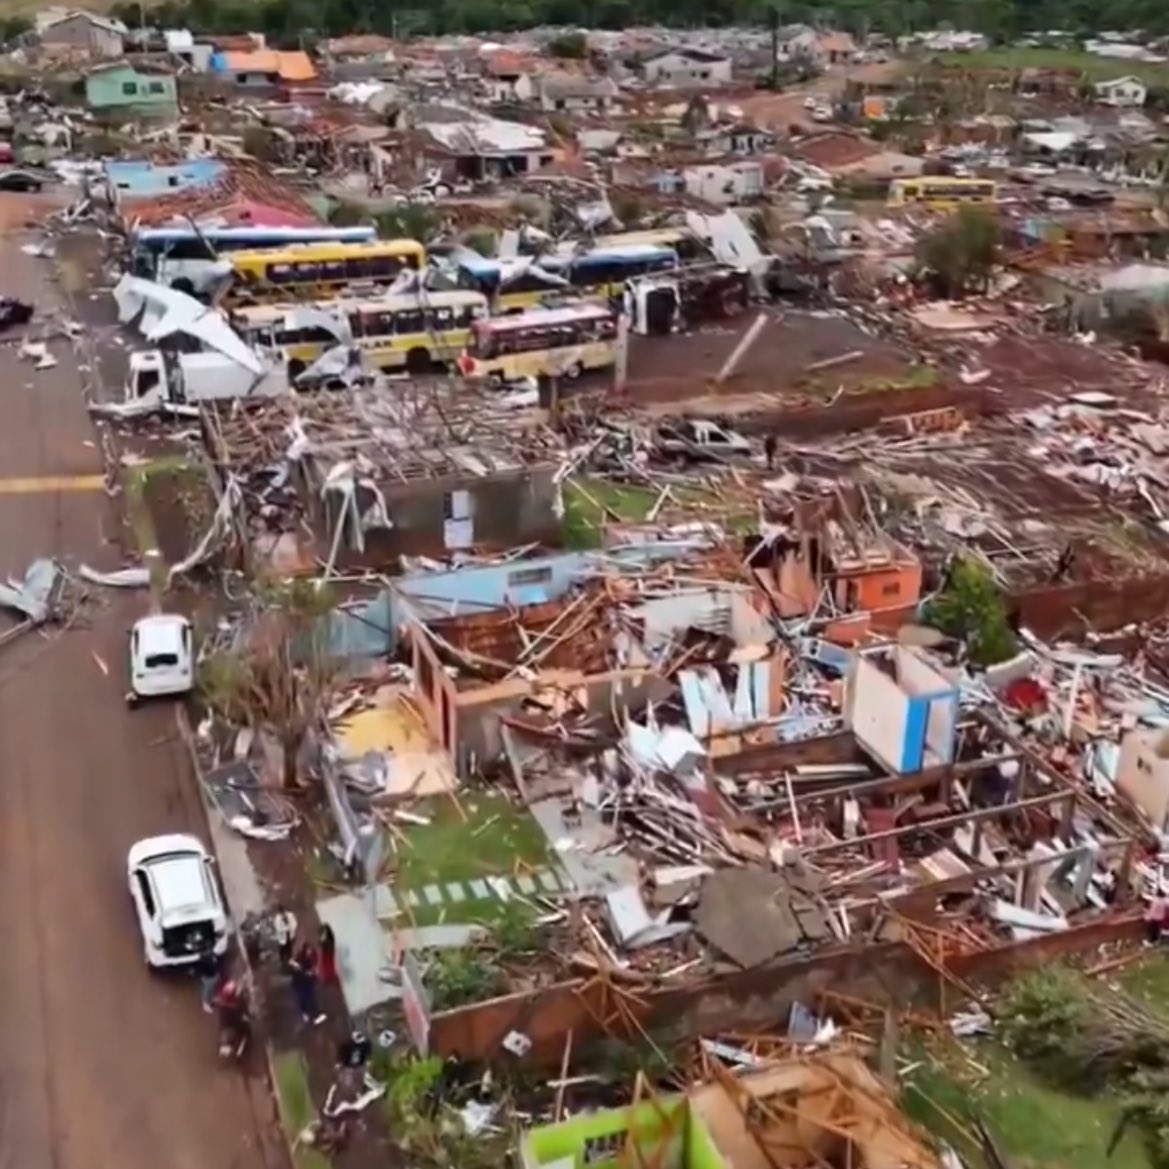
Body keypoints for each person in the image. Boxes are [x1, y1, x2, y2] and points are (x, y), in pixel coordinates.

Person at [290, 942, 326, 1026]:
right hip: (301, 983)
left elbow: (311, 970)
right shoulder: (300, 960)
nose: (309, 952)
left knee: (311, 998)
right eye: (308, 951)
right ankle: (307, 1014)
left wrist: (312, 974)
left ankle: (313, 1014)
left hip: (307, 983)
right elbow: (298, 971)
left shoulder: (309, 959)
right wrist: (306, 972)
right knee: (303, 998)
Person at [195, 946, 224, 1014]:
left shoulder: (210, 955)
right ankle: (205, 1004)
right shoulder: (204, 959)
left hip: (213, 975)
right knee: (208, 990)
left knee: (212, 988)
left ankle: (211, 999)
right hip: (208, 977)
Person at [272, 904, 297, 968]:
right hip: (282, 935)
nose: (282, 913)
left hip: (290, 934)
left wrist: (291, 928)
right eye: (281, 912)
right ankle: (282, 960)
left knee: (289, 947)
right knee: (282, 948)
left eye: (283, 911)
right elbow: (278, 928)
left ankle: (290, 959)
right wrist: (286, 928)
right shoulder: (277, 919)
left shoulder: (290, 915)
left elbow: (294, 923)